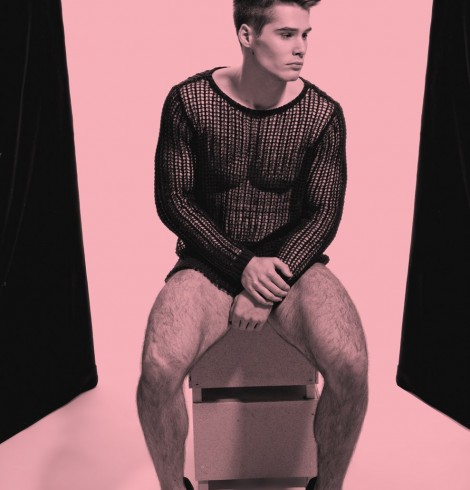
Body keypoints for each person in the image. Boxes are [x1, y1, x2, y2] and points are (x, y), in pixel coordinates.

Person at [136, 1, 369, 489]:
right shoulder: (189, 101)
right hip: (208, 263)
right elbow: (173, 200)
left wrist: (268, 283)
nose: (301, 48)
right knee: (158, 368)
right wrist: (243, 265)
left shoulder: (323, 114)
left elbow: (324, 213)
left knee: (350, 363)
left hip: (294, 266)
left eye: (306, 34)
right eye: (286, 34)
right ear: (247, 35)